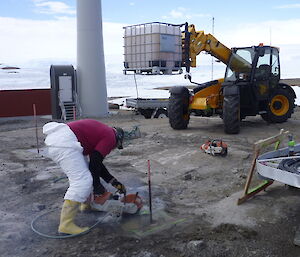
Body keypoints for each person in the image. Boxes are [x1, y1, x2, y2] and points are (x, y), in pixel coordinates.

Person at [43, 119, 126, 235]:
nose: (112, 149)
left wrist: (114, 182)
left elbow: (97, 163)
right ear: (118, 139)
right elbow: (96, 160)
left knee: (87, 175)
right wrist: (97, 186)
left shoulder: (103, 132)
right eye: (116, 146)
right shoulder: (111, 137)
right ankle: (65, 225)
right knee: (82, 181)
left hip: (64, 140)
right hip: (65, 143)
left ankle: (86, 205)